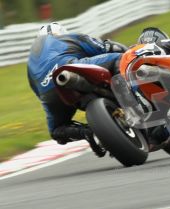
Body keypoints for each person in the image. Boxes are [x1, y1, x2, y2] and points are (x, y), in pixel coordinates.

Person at [27, 22, 128, 157]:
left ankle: (89, 132)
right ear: (61, 32)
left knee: (57, 130)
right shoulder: (70, 37)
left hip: (49, 93)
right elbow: (108, 48)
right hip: (69, 67)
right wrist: (128, 52)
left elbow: (39, 94)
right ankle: (133, 104)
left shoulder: (30, 65)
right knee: (119, 59)